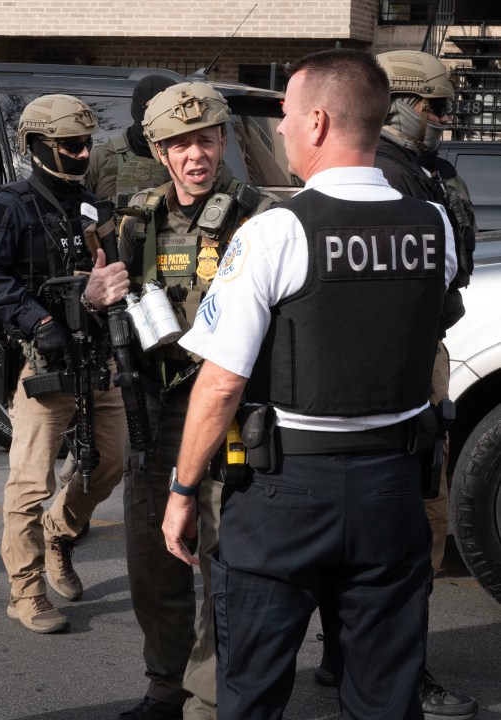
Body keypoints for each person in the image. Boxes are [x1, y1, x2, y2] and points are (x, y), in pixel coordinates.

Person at [162, 48, 457, 719]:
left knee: (254, 692)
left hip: (284, 495)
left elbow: (218, 386)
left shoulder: (274, 234)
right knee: (384, 697)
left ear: (319, 122)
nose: (283, 128)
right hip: (393, 487)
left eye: (288, 114)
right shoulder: (433, 226)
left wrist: (182, 491)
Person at [314, 48, 476, 720]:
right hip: (403, 365)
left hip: (413, 354)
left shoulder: (420, 171)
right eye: (435, 108)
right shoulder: (385, 176)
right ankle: (399, 671)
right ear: (405, 106)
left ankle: (346, 654)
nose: (442, 120)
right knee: (416, 525)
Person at [115, 83, 277, 720]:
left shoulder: (259, 218)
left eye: (205, 139)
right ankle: (165, 687)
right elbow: (106, 306)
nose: (195, 154)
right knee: (153, 563)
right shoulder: (134, 220)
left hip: (226, 413)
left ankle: (207, 702)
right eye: (179, 143)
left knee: (222, 562)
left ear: (224, 141)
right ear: (158, 150)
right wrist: (99, 292)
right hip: (152, 411)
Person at [0, 94, 130, 634]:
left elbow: (114, 272)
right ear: (37, 147)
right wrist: (38, 320)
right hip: (44, 365)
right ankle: (27, 590)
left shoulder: (91, 207)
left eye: (88, 145)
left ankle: (61, 531)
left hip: (97, 355)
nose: (82, 155)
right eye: (70, 146)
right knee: (29, 484)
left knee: (110, 462)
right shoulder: (7, 207)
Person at [85, 74, 176, 205]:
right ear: (138, 110)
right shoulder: (100, 157)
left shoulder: (186, 158)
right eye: (152, 108)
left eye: (166, 109)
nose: (157, 115)